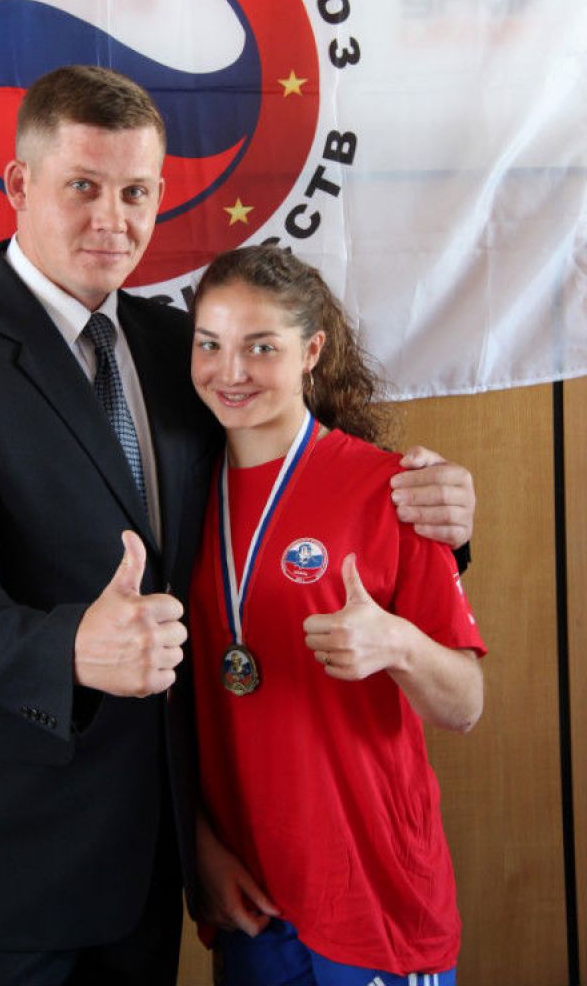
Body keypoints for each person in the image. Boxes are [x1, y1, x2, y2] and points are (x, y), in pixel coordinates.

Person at [0, 65, 477, 986]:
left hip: (149, 861)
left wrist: (438, 514)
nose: (113, 218)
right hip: (1, 866)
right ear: (19, 184)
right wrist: (71, 646)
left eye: (137, 192)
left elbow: (294, 488)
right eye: (83, 186)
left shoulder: (172, 347)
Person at [188, 246, 486, 986]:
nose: (231, 371)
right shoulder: (177, 496)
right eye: (210, 345)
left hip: (375, 899)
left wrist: (399, 644)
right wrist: (199, 846)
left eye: (262, 347)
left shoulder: (393, 490)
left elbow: (465, 706)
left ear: (312, 351)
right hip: (253, 897)